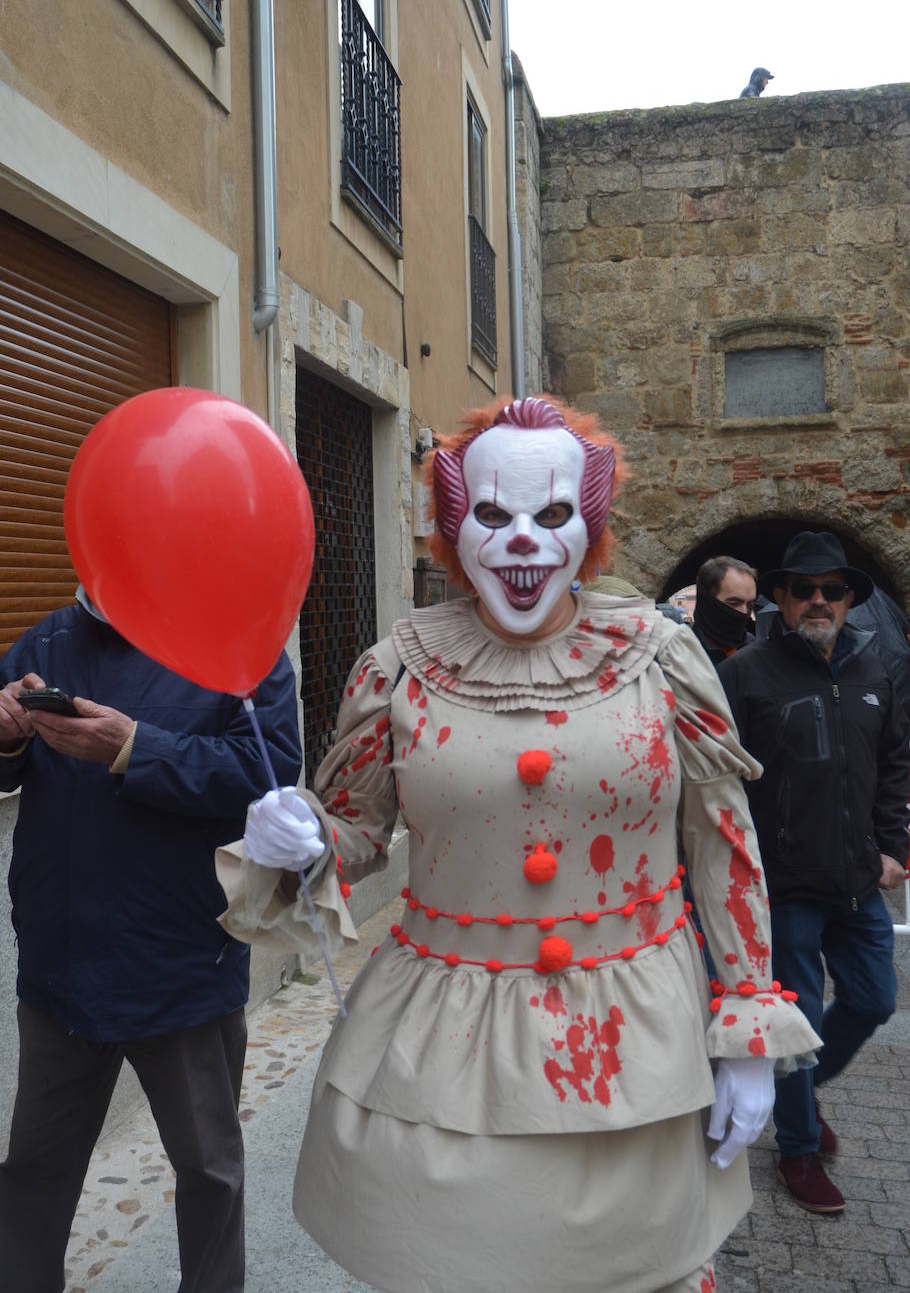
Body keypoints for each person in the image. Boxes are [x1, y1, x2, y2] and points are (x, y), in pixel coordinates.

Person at [219, 396, 819, 1293]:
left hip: (637, 1045)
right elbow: (355, 836)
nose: (525, 542)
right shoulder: (397, 668)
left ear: (591, 525)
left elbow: (725, 848)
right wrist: (300, 841)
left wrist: (746, 1029)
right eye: (494, 517)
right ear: (456, 531)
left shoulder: (663, 658)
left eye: (553, 515)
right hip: (446, 1052)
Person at [0, 586, 302, 1293]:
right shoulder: (48, 640)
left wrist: (137, 748)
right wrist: (8, 734)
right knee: (31, 1178)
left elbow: (270, 773)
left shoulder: (236, 642)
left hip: (185, 969)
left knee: (209, 1173)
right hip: (58, 971)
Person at [717, 531, 910, 1215]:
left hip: (860, 880)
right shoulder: (746, 674)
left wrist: (895, 846)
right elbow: (717, 780)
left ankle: (797, 1091)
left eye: (833, 589)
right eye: (804, 590)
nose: (819, 600)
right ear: (781, 599)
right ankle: (797, 1147)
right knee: (794, 1023)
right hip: (783, 885)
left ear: (852, 598)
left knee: (874, 1001)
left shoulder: (873, 670)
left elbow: (895, 765)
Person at [691, 556, 757, 668]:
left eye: (750, 605)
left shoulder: (753, 648)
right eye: (734, 603)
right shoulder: (683, 652)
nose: (744, 612)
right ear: (707, 601)